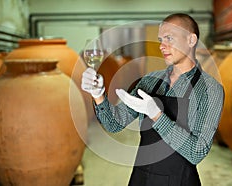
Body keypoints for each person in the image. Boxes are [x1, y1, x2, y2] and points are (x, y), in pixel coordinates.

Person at [81, 13, 224, 186]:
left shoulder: (210, 89)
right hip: (142, 178)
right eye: (160, 40)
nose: (162, 46)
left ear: (191, 40)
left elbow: (197, 152)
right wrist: (98, 95)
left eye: (169, 38)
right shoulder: (149, 81)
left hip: (179, 181)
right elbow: (114, 124)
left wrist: (156, 115)